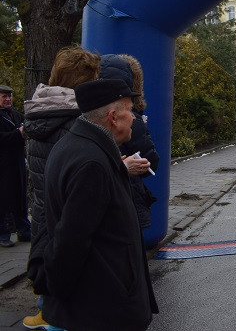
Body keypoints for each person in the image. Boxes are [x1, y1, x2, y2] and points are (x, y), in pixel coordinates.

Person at [40, 78, 158, 330]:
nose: (135, 117)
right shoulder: (92, 163)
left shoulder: (79, 146)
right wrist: (60, 295)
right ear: (113, 117)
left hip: (97, 303)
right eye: (129, 110)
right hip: (101, 309)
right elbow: (70, 241)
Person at [23, 46, 101, 330]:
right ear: (85, 81)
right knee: (68, 267)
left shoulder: (41, 106)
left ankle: (47, 312)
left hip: (43, 205)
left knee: (49, 260)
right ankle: (54, 316)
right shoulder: (76, 118)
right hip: (66, 209)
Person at [101, 54, 159, 230]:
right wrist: (124, 168)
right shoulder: (132, 118)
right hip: (126, 202)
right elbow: (151, 161)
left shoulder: (85, 118)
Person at [0, 84, 29, 248]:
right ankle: (3, 233)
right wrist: (18, 134)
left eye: (9, 96)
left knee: (20, 197)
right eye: (4, 96)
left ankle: (23, 229)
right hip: (3, 165)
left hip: (16, 162)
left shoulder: (16, 115)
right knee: (4, 199)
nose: (8, 99)